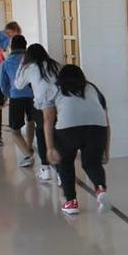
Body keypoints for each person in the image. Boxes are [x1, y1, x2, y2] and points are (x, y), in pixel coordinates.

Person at [43, 65, 111, 214]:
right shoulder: (92, 88)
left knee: (65, 162)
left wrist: (50, 147)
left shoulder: (54, 89)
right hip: (97, 128)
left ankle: (71, 202)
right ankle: (100, 189)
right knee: (93, 163)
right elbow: (105, 120)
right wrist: (106, 149)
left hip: (68, 129)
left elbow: (48, 119)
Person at [14, 43, 61, 181]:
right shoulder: (56, 65)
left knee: (41, 134)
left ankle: (45, 169)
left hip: (42, 106)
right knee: (57, 136)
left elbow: (18, 85)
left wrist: (21, 65)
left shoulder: (30, 68)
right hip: (60, 104)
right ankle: (60, 174)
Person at [0, 35, 36, 166]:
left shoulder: (5, 63)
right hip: (33, 97)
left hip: (16, 98)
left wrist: (9, 95)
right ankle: (29, 147)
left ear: (11, 47)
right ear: (25, 45)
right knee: (31, 121)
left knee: (15, 130)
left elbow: (3, 85)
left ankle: (27, 155)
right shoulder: (32, 61)